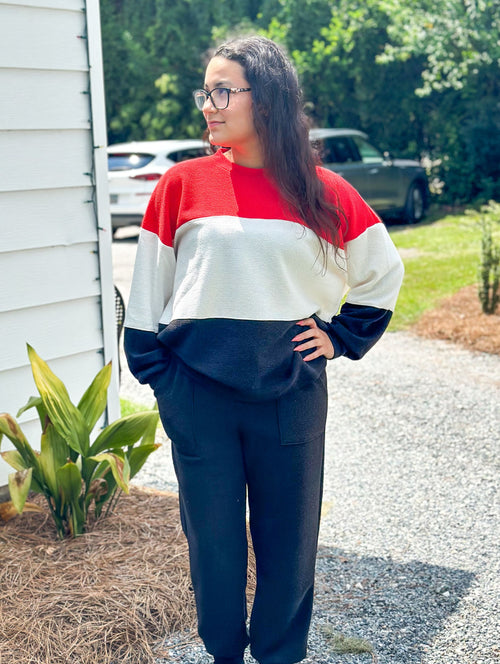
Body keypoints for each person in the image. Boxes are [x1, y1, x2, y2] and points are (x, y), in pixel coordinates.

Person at [124, 35, 404, 664]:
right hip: (199, 396)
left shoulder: (323, 190)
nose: (209, 104)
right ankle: (223, 652)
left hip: (290, 395)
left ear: (268, 97)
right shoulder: (183, 184)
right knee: (214, 546)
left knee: (289, 544)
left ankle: (280, 655)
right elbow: (149, 289)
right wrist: (160, 375)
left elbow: (383, 272)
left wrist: (338, 336)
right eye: (206, 91)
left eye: (224, 90)